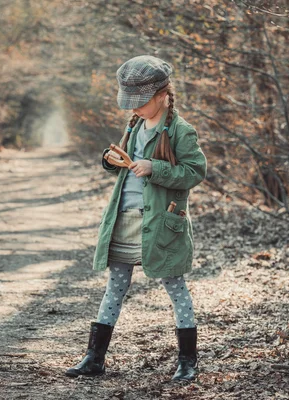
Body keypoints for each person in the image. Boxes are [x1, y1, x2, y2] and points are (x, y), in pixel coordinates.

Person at [65, 55, 207, 381]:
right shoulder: (135, 124)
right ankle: (94, 357)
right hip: (125, 219)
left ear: (162, 95)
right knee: (114, 287)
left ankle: (187, 362)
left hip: (160, 223)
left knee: (175, 287)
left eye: (141, 102)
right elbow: (124, 165)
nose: (136, 108)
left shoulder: (181, 131)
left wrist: (154, 168)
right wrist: (111, 160)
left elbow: (194, 172)